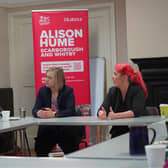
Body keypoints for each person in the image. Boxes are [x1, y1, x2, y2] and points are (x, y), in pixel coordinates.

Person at [32, 67, 81, 156]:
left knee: (72, 152)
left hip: (64, 128)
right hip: (48, 128)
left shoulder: (68, 91)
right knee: (40, 150)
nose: (46, 80)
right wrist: (39, 113)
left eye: (49, 78)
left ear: (58, 80)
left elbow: (70, 110)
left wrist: (54, 114)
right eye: (46, 77)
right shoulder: (42, 91)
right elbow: (34, 110)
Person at [97, 63, 148, 138]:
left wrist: (116, 116)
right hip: (118, 132)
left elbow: (135, 112)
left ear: (124, 77)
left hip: (137, 131)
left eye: (115, 74)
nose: (112, 77)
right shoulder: (113, 91)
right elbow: (102, 109)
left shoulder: (137, 89)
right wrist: (101, 113)